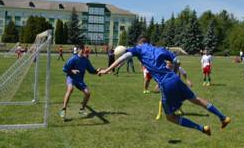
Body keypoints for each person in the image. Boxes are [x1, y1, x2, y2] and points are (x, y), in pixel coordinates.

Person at [98, 36, 231, 136]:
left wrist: (107, 70)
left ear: (140, 42)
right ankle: (223, 117)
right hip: (175, 78)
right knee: (197, 99)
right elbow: (177, 61)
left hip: (165, 84)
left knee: (170, 117)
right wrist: (174, 74)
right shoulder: (160, 49)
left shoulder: (138, 48)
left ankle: (202, 128)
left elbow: (124, 57)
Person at [59, 44, 99, 120]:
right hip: (71, 77)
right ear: (77, 50)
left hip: (80, 80)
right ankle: (63, 110)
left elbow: (91, 70)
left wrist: (98, 71)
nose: (81, 50)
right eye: (80, 49)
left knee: (87, 93)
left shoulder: (86, 60)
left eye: (82, 49)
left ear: (84, 50)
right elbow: (64, 69)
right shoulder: (73, 59)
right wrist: (72, 70)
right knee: (70, 89)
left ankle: (82, 109)